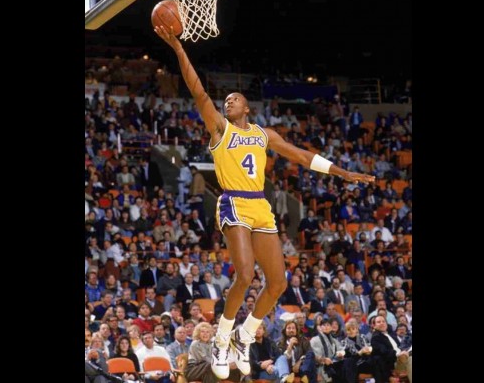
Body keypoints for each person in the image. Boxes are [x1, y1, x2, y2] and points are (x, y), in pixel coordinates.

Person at [156, 24, 375, 380]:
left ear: (247, 107)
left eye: (234, 99)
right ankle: (222, 339)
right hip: (233, 202)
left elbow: (301, 156)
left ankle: (243, 336)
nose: (228, 102)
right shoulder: (220, 128)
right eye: (226, 100)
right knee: (244, 274)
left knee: (278, 284)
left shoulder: (263, 134)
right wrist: (179, 49)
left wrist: (341, 172)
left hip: (260, 205)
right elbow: (198, 91)